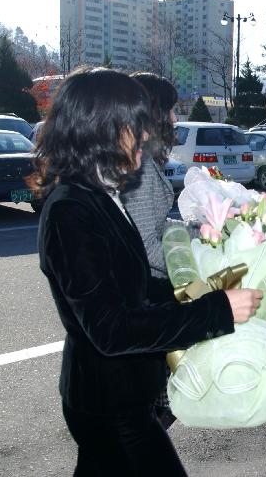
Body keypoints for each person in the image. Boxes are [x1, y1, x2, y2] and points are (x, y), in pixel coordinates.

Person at [29, 66, 262, 476]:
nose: (145, 135)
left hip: (118, 394)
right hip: (110, 404)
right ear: (100, 129)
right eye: (134, 127)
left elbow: (133, 290)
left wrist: (209, 293)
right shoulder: (72, 210)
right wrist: (216, 311)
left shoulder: (101, 194)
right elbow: (112, 328)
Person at [119, 72, 182, 429]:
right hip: (148, 303)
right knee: (152, 419)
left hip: (148, 302)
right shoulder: (139, 166)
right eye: (170, 111)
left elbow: (155, 225)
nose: (175, 119)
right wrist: (194, 267)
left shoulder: (144, 159)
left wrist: (191, 232)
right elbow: (144, 244)